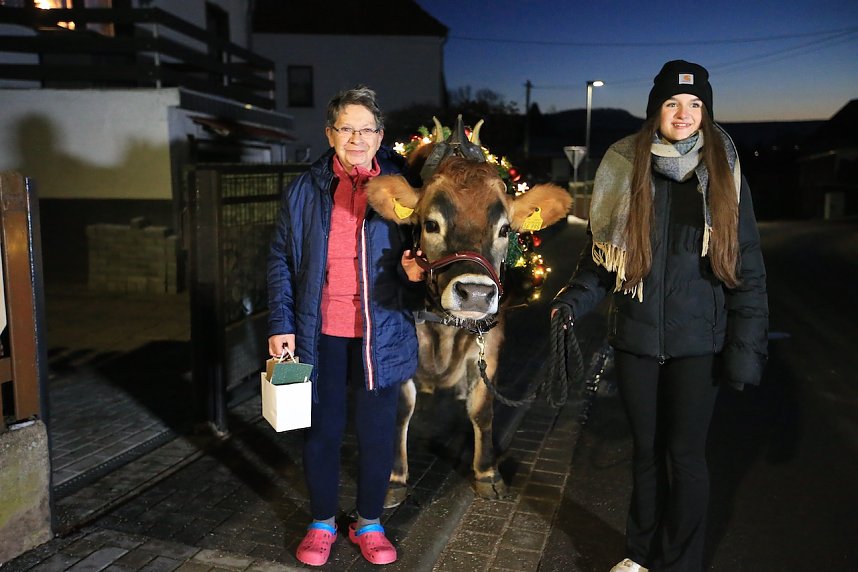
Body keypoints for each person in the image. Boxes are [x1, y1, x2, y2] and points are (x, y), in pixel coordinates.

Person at [551, 60, 768, 572]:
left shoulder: (724, 172)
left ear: (707, 113)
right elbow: (601, 259)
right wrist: (570, 302)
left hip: (700, 345)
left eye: (695, 105)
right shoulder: (626, 166)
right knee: (646, 454)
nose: (684, 113)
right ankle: (640, 557)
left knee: (685, 458)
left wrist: (744, 349)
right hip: (636, 341)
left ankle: (682, 563)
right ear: (656, 111)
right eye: (673, 103)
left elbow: (749, 268)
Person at [267, 86, 424, 567]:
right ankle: (321, 522)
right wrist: (281, 321)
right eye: (346, 128)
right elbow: (280, 257)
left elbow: (424, 261)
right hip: (320, 333)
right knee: (322, 430)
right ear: (330, 133)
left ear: (380, 136)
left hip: (382, 332)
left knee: (377, 432)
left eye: (366, 129)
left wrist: (415, 273)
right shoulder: (305, 188)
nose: (356, 138)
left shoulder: (405, 192)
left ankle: (370, 522)